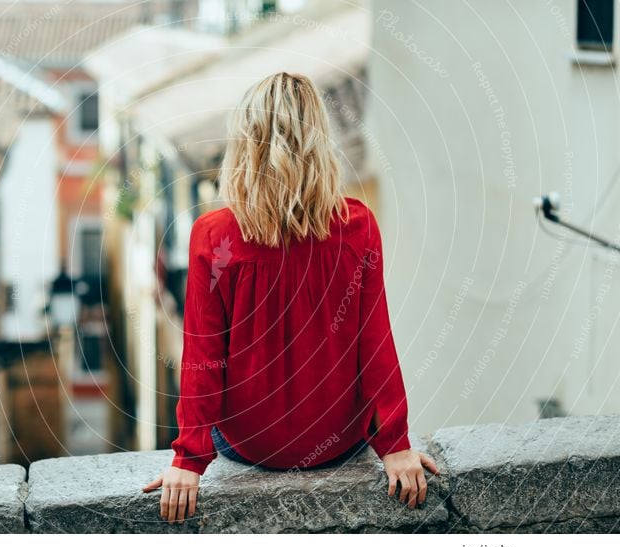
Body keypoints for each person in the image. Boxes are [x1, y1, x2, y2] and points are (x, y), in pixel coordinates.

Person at [143, 72, 439, 524]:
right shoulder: (357, 226)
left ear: (246, 145)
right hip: (338, 441)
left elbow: (203, 357)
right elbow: (374, 342)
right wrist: (395, 444)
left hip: (249, 445)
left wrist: (188, 459)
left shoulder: (213, 236)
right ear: (319, 142)